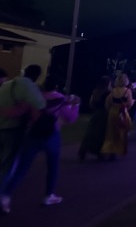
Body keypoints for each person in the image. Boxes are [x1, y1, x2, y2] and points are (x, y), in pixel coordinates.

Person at [1, 75, 79, 212]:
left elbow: (23, 112)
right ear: (56, 86)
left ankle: (6, 196)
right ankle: (49, 195)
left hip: (32, 135)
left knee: (21, 169)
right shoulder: (61, 99)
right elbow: (70, 118)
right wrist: (76, 105)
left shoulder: (35, 96)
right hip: (52, 135)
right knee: (53, 166)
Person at [0, 64, 46, 202]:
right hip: (12, 129)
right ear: (37, 75)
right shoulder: (29, 87)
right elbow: (41, 106)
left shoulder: (7, 84)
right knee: (7, 165)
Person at [100, 73, 133, 160]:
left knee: (110, 132)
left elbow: (107, 102)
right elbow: (129, 103)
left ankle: (108, 150)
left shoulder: (113, 90)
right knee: (121, 131)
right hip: (122, 112)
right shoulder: (127, 91)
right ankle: (117, 149)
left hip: (113, 112)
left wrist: (110, 109)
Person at [78, 76, 111, 161]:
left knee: (91, 132)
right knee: (101, 133)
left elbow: (91, 103)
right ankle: (99, 152)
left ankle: (84, 150)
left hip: (96, 113)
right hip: (104, 114)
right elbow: (108, 104)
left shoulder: (96, 91)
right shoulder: (108, 93)